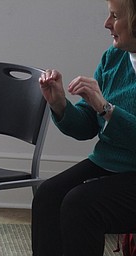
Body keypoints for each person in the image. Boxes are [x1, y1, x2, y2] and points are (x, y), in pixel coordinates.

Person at [32, 0, 136, 255]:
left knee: (80, 203)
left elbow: (103, 110)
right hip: (108, 163)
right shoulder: (114, 57)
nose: (106, 24)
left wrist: (106, 108)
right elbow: (88, 126)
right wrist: (60, 105)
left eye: (114, 16)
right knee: (48, 195)